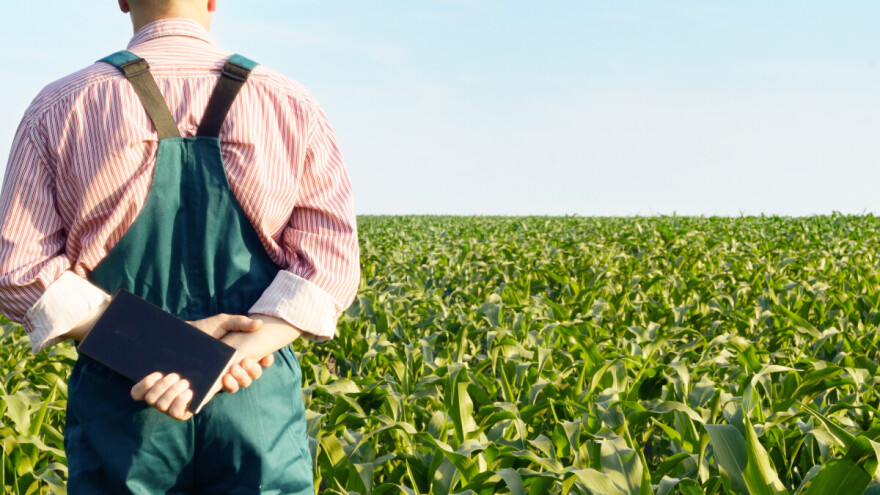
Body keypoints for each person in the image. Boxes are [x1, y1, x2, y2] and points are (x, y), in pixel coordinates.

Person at [0, 0, 359, 493]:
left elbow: (20, 272)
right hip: (254, 401)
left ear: (122, 0)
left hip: (125, 403)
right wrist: (229, 356)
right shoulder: (290, 103)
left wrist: (157, 348)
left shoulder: (60, 105)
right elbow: (330, 268)